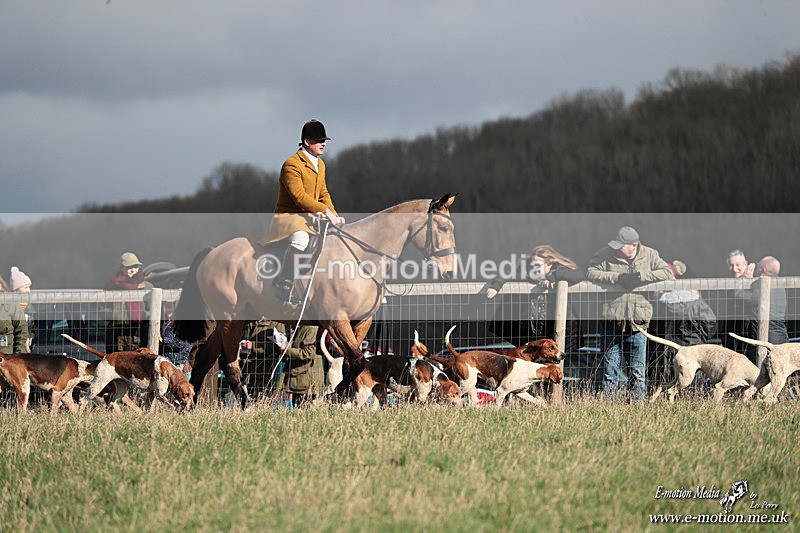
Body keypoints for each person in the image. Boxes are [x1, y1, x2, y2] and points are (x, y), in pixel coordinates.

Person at [258, 119, 346, 304]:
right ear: (307, 142)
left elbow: (323, 193)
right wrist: (324, 211)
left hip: (311, 216)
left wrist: (334, 214)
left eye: (324, 140)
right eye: (319, 140)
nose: (324, 144)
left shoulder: (320, 165)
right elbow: (298, 197)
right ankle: (286, 283)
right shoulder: (291, 165)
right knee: (302, 238)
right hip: (289, 217)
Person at [586, 226, 673, 401]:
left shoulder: (650, 254)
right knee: (610, 370)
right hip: (612, 319)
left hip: (638, 322)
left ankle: (637, 405)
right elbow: (591, 272)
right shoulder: (605, 254)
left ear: (634, 245)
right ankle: (609, 406)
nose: (617, 248)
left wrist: (640, 277)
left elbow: (667, 272)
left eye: (621, 245)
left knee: (637, 370)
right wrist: (617, 278)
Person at [485, 245, 585, 365]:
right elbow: (507, 272)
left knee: (555, 358)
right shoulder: (525, 270)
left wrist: (552, 278)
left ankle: (554, 383)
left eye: (538, 265)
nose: (534, 269)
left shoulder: (560, 271)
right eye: (532, 265)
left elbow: (579, 273)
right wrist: (496, 285)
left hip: (554, 324)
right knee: (530, 360)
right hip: (529, 325)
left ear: (549, 263)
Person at [648, 260, 717, 390]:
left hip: (667, 349)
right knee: (693, 374)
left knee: (668, 376)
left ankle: (666, 395)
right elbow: (710, 323)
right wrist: (700, 337)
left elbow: (653, 326)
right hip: (694, 346)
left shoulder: (659, 304)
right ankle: (693, 394)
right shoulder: (698, 303)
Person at [735, 255, 788, 364]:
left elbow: (738, 295)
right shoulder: (780, 285)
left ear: (762, 270)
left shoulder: (762, 286)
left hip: (764, 340)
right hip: (781, 337)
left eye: (758, 265)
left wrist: (744, 278)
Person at [104, 252, 153, 352]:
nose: (133, 270)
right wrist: (114, 315)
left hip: (139, 336)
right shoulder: (113, 286)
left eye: (135, 267)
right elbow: (101, 307)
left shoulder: (147, 286)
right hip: (116, 337)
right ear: (122, 268)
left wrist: (144, 315)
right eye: (129, 267)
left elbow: (154, 309)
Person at [272, 324, 324, 405]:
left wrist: (286, 349)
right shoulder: (299, 327)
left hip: (306, 381)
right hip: (298, 380)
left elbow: (309, 353)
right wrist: (284, 340)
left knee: (305, 411)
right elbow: (297, 346)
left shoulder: (310, 328)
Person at [720, 249, 754, 353]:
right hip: (730, 330)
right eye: (731, 265)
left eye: (738, 264)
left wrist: (744, 279)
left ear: (746, 264)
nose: (734, 269)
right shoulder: (728, 283)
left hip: (748, 330)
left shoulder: (755, 281)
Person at [0, 274, 29, 354]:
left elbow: (22, 330)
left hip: (6, 359)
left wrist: (18, 357)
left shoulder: (11, 304)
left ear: (0, 285)